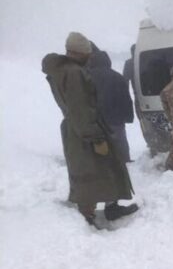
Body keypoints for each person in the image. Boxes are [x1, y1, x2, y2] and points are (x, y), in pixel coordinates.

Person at [42, 32, 138, 226]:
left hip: (77, 128)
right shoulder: (74, 73)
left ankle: (110, 207)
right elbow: (80, 108)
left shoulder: (62, 71)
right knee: (91, 171)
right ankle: (88, 215)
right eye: (87, 52)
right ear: (80, 53)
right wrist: (96, 138)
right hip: (83, 130)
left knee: (101, 167)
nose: (90, 56)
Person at [87, 50, 134, 162]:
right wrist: (128, 117)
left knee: (98, 149)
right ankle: (123, 163)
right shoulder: (117, 77)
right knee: (119, 144)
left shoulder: (86, 78)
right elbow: (126, 99)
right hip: (115, 120)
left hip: (95, 121)